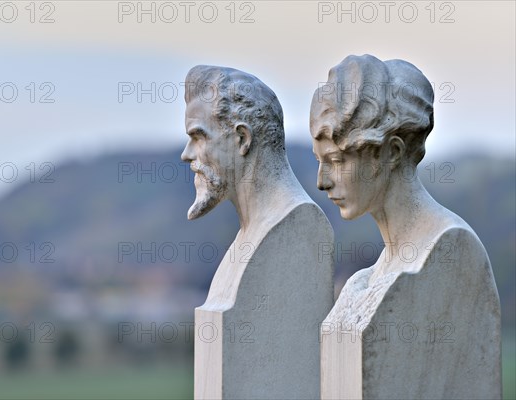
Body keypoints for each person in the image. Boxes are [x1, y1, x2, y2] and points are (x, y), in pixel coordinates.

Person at [311, 54, 501, 399]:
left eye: (337, 161)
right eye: (320, 161)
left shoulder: (451, 251)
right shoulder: (364, 278)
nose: (322, 181)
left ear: (392, 153)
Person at [183, 65, 333, 399]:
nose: (187, 155)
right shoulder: (248, 238)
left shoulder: (296, 227)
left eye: (198, 137)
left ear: (241, 138)